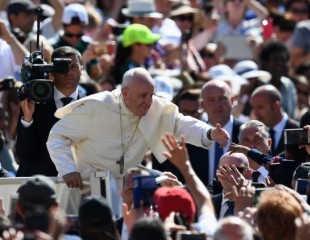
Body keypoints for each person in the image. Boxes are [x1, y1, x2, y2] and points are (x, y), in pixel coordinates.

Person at [46, 67, 230, 191]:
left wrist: (209, 132)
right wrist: (68, 169)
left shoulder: (153, 107)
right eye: (143, 95)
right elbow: (57, 136)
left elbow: (181, 124)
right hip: (85, 186)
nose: (148, 101)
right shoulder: (96, 107)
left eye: (151, 95)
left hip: (126, 189)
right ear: (125, 93)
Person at [16, 46, 84, 176]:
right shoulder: (35, 103)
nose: (68, 72)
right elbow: (24, 156)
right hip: (40, 184)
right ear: (51, 71)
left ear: (82, 69)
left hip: (80, 183)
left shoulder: (90, 104)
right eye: (62, 67)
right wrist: (28, 118)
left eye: (73, 66)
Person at [250, 84, 299, 156]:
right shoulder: (257, 134)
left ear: (276, 106)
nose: (255, 113)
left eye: (260, 107)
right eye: (254, 108)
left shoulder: (297, 130)